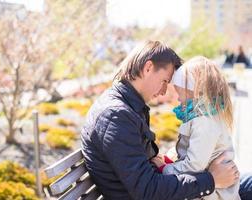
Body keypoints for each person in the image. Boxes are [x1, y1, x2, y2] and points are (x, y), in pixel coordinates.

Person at [81, 40, 240, 200]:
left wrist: (168, 160)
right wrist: (212, 180)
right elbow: (148, 190)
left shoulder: (128, 107)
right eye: (164, 81)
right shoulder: (115, 116)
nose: (164, 91)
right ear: (148, 68)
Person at [151, 56, 240, 199]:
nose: (178, 99)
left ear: (196, 91)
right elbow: (195, 155)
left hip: (215, 194)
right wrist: (172, 161)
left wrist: (165, 169)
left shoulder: (204, 122)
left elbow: (194, 166)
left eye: (180, 93)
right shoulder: (202, 115)